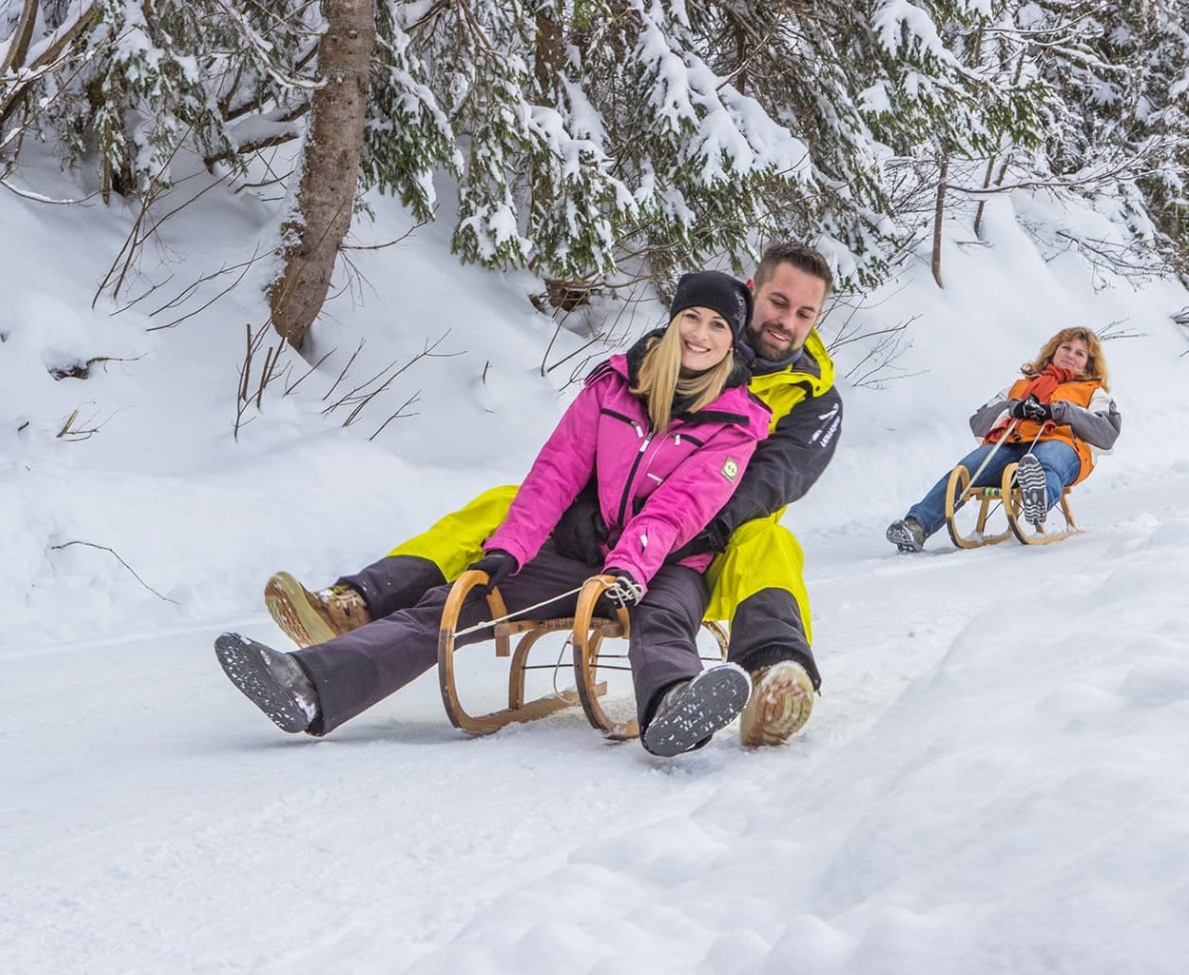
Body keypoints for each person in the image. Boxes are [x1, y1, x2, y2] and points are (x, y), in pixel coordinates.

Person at [265, 242, 843, 746]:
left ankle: (774, 676)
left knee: (768, 540)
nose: (786, 321)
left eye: (804, 313)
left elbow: (756, 490)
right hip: (609, 534)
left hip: (703, 549)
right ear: (751, 291)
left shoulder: (805, 403)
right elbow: (572, 462)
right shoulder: (649, 363)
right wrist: (584, 526)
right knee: (504, 508)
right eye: (777, 302)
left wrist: (641, 551)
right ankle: (360, 607)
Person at [887, 327, 1120, 553]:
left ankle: (1038, 498)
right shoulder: (1020, 386)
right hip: (1010, 445)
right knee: (965, 471)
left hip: (1061, 445)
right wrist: (1013, 408)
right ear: (1054, 350)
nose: (1070, 355)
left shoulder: (1092, 392)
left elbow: (1106, 433)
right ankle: (916, 526)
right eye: (1066, 348)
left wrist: (1059, 411)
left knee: (1046, 461)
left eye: (1079, 354)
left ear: (1088, 364)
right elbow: (978, 421)